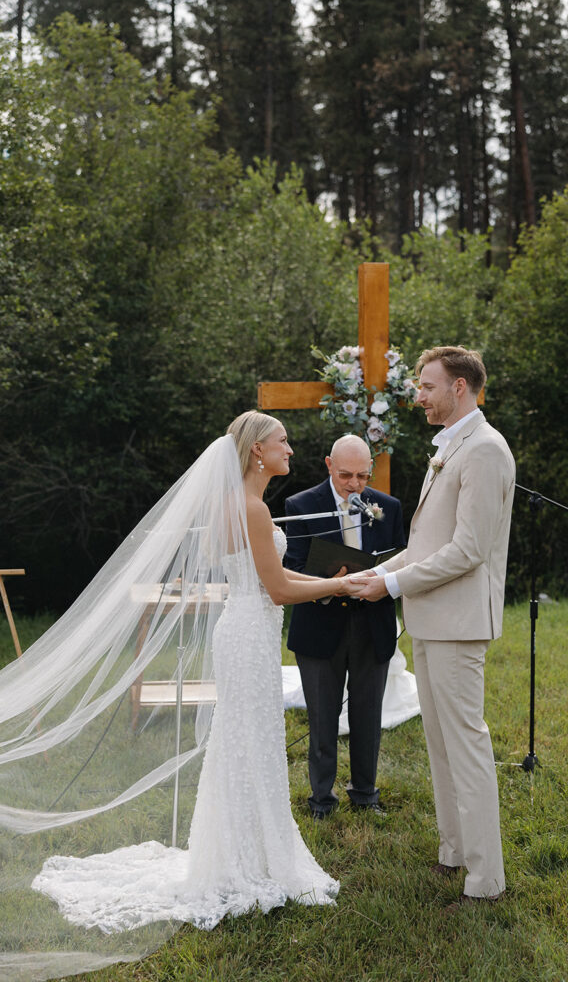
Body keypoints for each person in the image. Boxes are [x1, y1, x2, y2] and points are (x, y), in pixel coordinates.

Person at [0, 412, 360, 979]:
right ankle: (247, 858)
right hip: (249, 633)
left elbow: (268, 585)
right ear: (255, 452)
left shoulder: (234, 505)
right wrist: (341, 583)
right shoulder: (252, 508)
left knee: (245, 741)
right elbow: (278, 588)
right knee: (248, 740)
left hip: (244, 630)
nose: (291, 448)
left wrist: (329, 583)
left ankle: (246, 850)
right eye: (282, 441)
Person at [353, 347, 515, 904]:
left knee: (466, 745)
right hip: (430, 619)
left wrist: (393, 585)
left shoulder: (486, 451)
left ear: (461, 388)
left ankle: (486, 876)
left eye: (427, 386)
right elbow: (427, 544)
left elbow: (468, 550)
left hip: (459, 622)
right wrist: (376, 573)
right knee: (440, 745)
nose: (418, 395)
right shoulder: (450, 448)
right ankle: (454, 851)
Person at [284, 435, 405, 818]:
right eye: (345, 475)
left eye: (362, 476)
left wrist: (382, 581)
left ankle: (365, 794)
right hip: (321, 622)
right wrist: (328, 581)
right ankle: (321, 798)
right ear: (327, 465)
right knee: (322, 715)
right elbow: (293, 568)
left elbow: (402, 558)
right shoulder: (301, 506)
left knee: (368, 714)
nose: (355, 484)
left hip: (373, 622)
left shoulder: (387, 507)